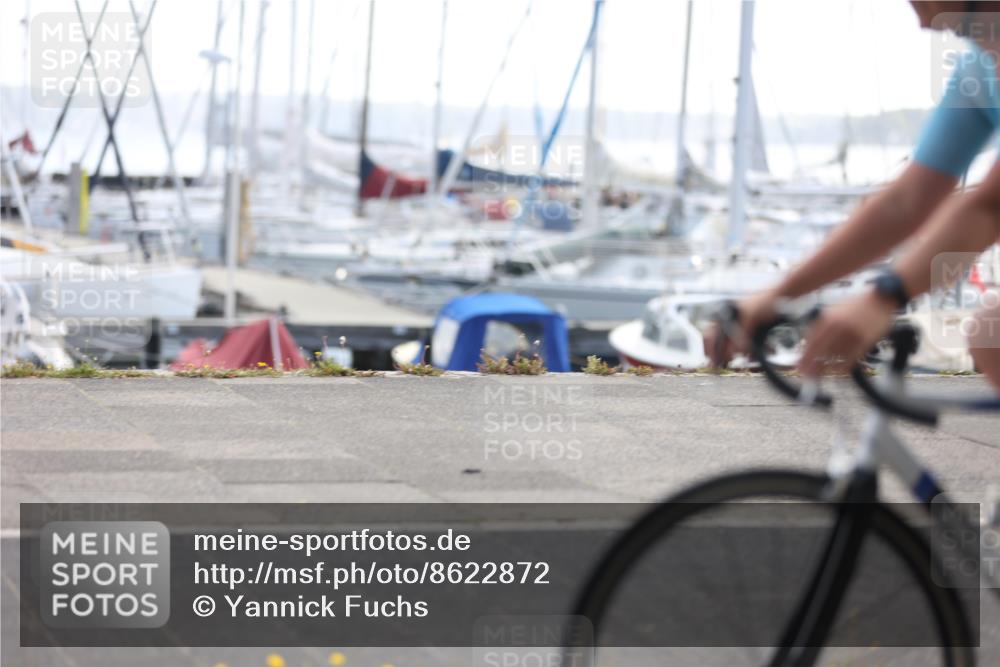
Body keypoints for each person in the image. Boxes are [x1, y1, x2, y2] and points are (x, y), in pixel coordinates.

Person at [711, 1, 1000, 391]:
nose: (921, 20)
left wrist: (884, 297)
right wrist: (776, 296)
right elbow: (904, 202)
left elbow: (989, 207)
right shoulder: (977, 71)